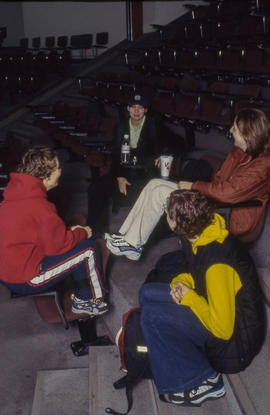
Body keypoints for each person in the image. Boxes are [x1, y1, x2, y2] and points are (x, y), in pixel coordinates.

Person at [139, 189, 265, 407]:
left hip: (235, 344)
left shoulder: (218, 265)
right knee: (147, 292)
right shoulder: (200, 232)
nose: (164, 216)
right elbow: (196, 270)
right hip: (214, 307)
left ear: (178, 223)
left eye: (167, 213)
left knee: (152, 316)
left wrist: (190, 298)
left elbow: (222, 329)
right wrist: (182, 282)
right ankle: (176, 353)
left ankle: (205, 379)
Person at [105, 107, 270, 260]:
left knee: (160, 192)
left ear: (247, 133)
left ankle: (133, 245)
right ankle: (124, 235)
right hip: (216, 202)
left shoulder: (263, 165)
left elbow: (227, 193)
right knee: (155, 183)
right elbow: (218, 182)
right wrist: (195, 190)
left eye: (234, 128)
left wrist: (192, 186)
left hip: (230, 217)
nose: (230, 131)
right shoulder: (238, 153)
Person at [0, 146, 108, 317]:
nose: (60, 171)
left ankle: (82, 294)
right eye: (58, 167)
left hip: (8, 272)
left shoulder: (15, 194)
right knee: (88, 249)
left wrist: (71, 232)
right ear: (46, 175)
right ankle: (88, 301)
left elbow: (39, 234)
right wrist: (82, 233)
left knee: (75, 243)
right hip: (26, 279)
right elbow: (57, 247)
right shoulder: (40, 205)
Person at [87, 92, 161, 234]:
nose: (137, 111)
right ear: (128, 109)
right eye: (133, 107)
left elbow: (177, 143)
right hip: (123, 170)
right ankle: (94, 232)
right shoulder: (120, 126)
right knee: (95, 188)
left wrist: (163, 155)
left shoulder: (154, 125)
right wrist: (119, 177)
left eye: (140, 108)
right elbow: (115, 155)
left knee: (141, 194)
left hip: (144, 172)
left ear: (146, 110)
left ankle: (137, 235)